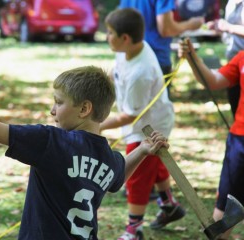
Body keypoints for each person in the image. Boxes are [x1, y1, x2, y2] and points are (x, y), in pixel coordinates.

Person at [0, 65, 170, 240]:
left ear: (84, 109)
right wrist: (144, 151)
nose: (52, 111)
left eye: (58, 102)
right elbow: (116, 179)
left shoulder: (51, 142)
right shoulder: (108, 158)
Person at [100, 8, 185, 240]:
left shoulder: (141, 72)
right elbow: (115, 73)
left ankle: (133, 230)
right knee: (154, 163)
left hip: (149, 126)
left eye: (110, 33)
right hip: (143, 120)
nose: (107, 37)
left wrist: (97, 126)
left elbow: (129, 117)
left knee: (136, 174)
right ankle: (169, 205)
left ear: (125, 38)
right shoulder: (128, 50)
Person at [178, 38, 244, 240]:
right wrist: (192, 57)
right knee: (222, 220)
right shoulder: (241, 57)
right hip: (239, 142)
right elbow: (213, 80)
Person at [118, 0, 204, 99]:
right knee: (154, 111)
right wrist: (191, 24)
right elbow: (166, 29)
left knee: (132, 108)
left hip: (129, 57)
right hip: (155, 60)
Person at [207, 0, 244, 117]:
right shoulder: (231, 3)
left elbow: (230, 28)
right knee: (235, 107)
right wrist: (218, 29)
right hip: (233, 62)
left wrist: (229, 27)